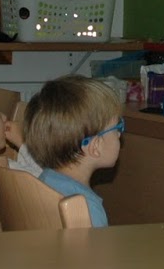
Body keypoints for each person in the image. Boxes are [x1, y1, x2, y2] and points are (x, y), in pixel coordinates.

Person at [24, 75, 124, 228]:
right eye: (118, 127)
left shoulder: (44, 180)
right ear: (95, 146)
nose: (119, 134)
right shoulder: (87, 209)